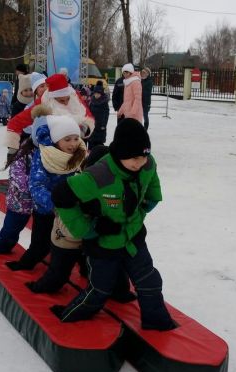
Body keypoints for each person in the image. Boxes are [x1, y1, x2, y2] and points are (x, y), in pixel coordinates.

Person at [49, 119, 177, 331]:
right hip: (103, 244)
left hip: (133, 238)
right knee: (100, 288)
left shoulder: (148, 165)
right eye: (134, 157)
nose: (140, 162)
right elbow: (61, 197)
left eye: (144, 155)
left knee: (149, 281)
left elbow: (152, 192)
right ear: (120, 153)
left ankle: (158, 325)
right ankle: (70, 316)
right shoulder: (98, 176)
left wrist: (139, 213)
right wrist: (89, 229)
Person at [6, 111, 87, 271]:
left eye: (76, 138)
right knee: (40, 245)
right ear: (56, 140)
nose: (73, 144)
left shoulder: (80, 154)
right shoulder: (44, 155)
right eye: (67, 139)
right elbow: (36, 185)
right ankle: (25, 265)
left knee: (78, 243)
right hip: (46, 210)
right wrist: (54, 205)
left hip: (70, 209)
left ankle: (86, 269)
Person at [0, 133, 35, 254]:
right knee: (11, 229)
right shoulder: (24, 154)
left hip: (35, 203)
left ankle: (5, 246)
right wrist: (37, 185)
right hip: (18, 203)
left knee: (18, 227)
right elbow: (18, 178)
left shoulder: (46, 152)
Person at [88, 84, 110, 148]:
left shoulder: (104, 103)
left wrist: (104, 125)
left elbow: (106, 114)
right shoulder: (92, 101)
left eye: (98, 94)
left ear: (101, 94)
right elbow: (89, 112)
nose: (96, 95)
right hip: (92, 125)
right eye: (95, 93)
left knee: (99, 143)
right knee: (91, 142)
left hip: (100, 126)